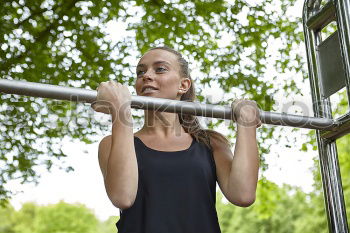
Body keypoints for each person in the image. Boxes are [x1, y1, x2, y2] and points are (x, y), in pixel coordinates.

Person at [91, 46, 261, 233]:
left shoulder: (210, 143)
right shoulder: (111, 144)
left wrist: (247, 123)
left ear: (183, 85)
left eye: (160, 69)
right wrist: (120, 111)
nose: (146, 76)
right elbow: (122, 197)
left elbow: (243, 195)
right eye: (140, 72)